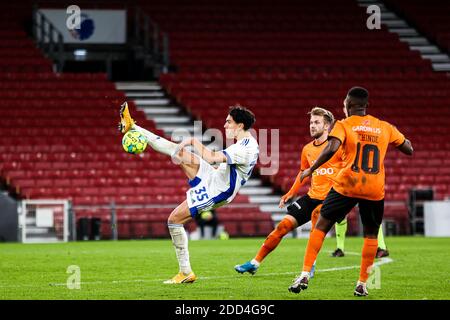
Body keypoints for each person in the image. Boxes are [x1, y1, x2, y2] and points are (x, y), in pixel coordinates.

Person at [288, 87, 413, 296]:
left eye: (345, 102)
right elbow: (408, 148)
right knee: (371, 235)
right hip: (374, 188)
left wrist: (311, 168)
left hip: (347, 184)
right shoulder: (384, 126)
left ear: (349, 105)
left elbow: (331, 147)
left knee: (321, 225)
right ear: (366, 106)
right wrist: (392, 135)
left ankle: (304, 273)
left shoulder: (344, 125)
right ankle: (362, 283)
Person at [118, 102, 259, 284]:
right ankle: (133, 126)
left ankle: (185, 272)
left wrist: (194, 141)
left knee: (174, 220)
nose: (224, 126)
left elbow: (212, 157)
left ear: (240, 125)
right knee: (177, 152)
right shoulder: (246, 143)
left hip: (218, 190)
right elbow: (222, 163)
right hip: (215, 177)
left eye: (228, 122)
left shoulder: (245, 147)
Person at [234, 107, 343, 278]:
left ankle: (310, 265)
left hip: (331, 199)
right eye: (311, 122)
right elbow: (303, 173)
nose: (312, 126)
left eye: (317, 122)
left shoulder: (336, 146)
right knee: (283, 226)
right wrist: (290, 193)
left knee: (316, 215)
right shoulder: (307, 149)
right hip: (312, 196)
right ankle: (254, 263)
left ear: (327, 125)